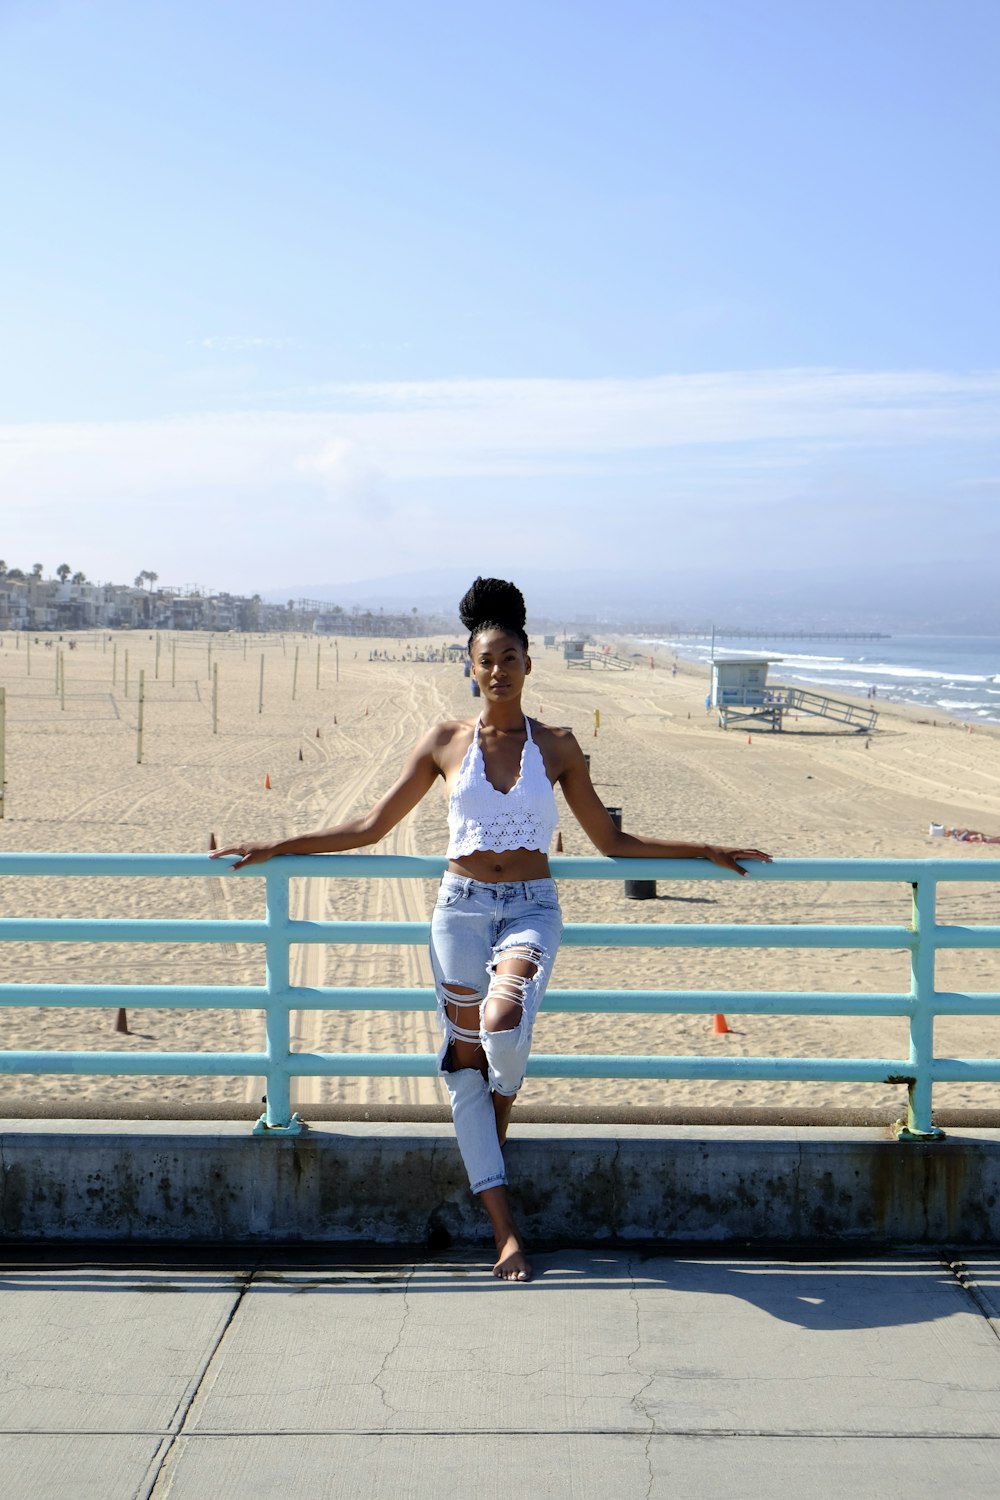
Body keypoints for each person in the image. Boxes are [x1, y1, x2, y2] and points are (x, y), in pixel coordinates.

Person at [212, 578, 771, 1281]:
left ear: (530, 665)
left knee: (501, 1026)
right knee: (465, 1066)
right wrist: (279, 844)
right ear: (470, 668)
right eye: (486, 660)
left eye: (510, 657)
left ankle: (493, 1114)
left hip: (532, 906)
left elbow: (610, 843)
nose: (498, 670)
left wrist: (703, 850)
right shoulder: (444, 742)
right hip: (460, 910)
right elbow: (369, 826)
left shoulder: (560, 746)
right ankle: (505, 1231)